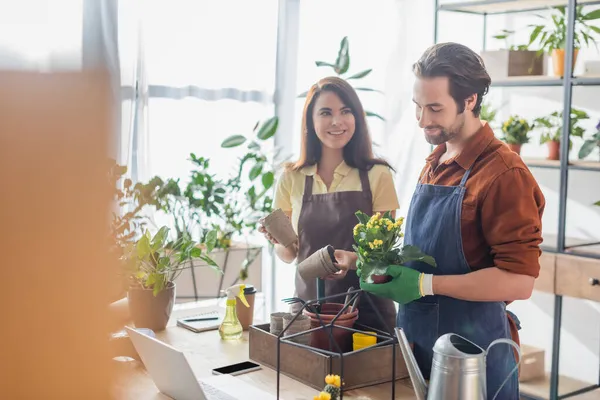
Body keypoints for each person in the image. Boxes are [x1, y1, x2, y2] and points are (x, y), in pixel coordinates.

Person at [359, 42, 545, 399]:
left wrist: (425, 285)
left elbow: (519, 282)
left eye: (435, 108)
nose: (423, 120)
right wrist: (387, 268)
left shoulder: (504, 174)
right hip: (419, 347)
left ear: (470, 100)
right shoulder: (437, 160)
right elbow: (429, 252)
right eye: (417, 106)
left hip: (472, 358)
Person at [260, 76, 399, 331]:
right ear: (311, 122)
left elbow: (385, 257)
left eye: (345, 111)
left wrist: (352, 260)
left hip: (369, 313)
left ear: (356, 117)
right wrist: (278, 241)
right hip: (308, 312)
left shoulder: (378, 175)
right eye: (326, 113)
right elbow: (291, 255)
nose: (337, 121)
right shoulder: (292, 177)